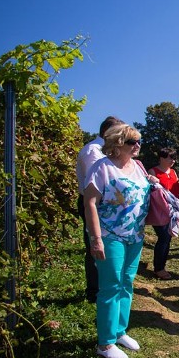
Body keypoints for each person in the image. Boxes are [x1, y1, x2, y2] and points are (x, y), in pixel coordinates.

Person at [83, 123, 155, 358]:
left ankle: (119, 331)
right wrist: (96, 240)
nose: (137, 146)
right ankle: (104, 343)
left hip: (135, 236)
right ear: (117, 145)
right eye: (132, 142)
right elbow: (90, 203)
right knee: (111, 286)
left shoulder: (138, 166)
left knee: (126, 282)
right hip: (109, 235)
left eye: (138, 141)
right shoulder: (102, 167)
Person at [75, 116, 122, 303]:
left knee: (106, 245)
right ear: (108, 133)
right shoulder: (93, 152)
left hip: (107, 205)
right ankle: (94, 292)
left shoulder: (104, 151)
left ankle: (105, 287)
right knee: (95, 245)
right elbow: (99, 183)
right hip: (95, 203)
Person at [149, 147, 179, 280]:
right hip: (158, 210)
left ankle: (161, 266)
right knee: (163, 237)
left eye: (174, 158)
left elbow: (176, 190)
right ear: (162, 158)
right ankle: (159, 268)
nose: (173, 161)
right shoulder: (153, 172)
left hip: (171, 211)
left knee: (167, 238)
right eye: (170, 157)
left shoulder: (173, 172)